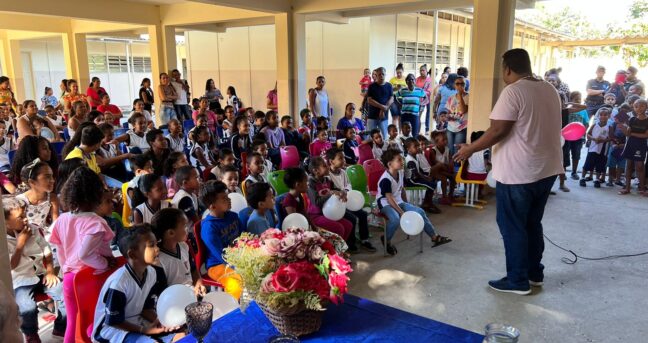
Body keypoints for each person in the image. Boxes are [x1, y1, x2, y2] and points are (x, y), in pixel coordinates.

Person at [454, 48, 563, 295]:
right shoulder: (549, 89)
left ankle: (516, 280)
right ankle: (534, 274)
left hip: (519, 173)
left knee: (513, 226)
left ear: (507, 69)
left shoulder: (513, 91)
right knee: (532, 224)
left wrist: (470, 148)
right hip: (546, 170)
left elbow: (498, 130)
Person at [49, 167, 116, 342]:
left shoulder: (62, 219)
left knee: (73, 322)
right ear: (96, 194)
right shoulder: (95, 222)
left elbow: (60, 249)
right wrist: (105, 264)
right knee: (95, 321)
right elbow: (85, 254)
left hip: (70, 278)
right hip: (91, 278)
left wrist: (66, 271)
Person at [92, 225, 185, 343]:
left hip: (136, 321)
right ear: (133, 255)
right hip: (111, 330)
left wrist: (162, 321)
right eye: (151, 245)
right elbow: (114, 321)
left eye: (156, 244)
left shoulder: (151, 272)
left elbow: (146, 308)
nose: (157, 249)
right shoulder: (119, 284)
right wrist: (144, 330)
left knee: (182, 333)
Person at [5, 196, 66, 342]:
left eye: (25, 214)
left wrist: (50, 271)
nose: (25, 219)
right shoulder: (4, 240)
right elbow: (10, 266)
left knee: (67, 292)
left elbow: (47, 251)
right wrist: (20, 243)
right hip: (20, 280)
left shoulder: (33, 228)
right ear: (5, 221)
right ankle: (31, 334)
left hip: (41, 275)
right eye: (20, 217)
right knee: (27, 307)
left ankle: (61, 327)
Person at [378, 149, 450, 256]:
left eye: (402, 159)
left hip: (398, 201)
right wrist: (402, 212)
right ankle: (386, 240)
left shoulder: (400, 173)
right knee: (395, 220)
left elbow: (401, 190)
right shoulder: (386, 179)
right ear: (390, 164)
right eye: (399, 160)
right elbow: (389, 198)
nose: (402, 161)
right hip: (386, 203)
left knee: (419, 211)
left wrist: (407, 205)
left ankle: (434, 237)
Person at [199, 180, 244, 300]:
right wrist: (241, 267)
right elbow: (222, 256)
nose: (229, 200)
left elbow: (243, 238)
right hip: (217, 264)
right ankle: (235, 311)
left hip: (238, 257)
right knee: (236, 283)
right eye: (224, 198)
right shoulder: (209, 228)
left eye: (228, 196)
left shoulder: (233, 216)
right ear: (212, 206)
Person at [326, 148, 377, 252]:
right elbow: (330, 191)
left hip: (347, 201)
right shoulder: (327, 175)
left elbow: (348, 185)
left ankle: (364, 239)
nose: (344, 160)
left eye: (344, 157)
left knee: (362, 214)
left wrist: (345, 191)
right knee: (352, 219)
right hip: (336, 205)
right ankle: (351, 243)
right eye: (340, 158)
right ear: (331, 161)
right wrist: (341, 192)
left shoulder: (343, 172)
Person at [151, 208, 206, 294]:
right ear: (171, 233)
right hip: (175, 300)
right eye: (184, 226)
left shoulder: (184, 246)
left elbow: (193, 270)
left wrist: (199, 284)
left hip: (192, 293)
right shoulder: (158, 261)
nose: (187, 229)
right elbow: (163, 294)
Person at [307, 156, 355, 248]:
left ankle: (339, 250)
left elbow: (336, 190)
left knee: (348, 225)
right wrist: (330, 193)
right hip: (316, 215)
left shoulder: (327, 179)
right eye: (324, 166)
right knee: (339, 228)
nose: (328, 167)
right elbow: (316, 202)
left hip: (329, 213)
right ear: (316, 171)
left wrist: (342, 193)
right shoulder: (311, 183)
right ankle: (334, 252)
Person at [15, 160, 60, 234]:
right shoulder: (20, 201)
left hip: (44, 235)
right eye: (47, 177)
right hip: (27, 235)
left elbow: (56, 223)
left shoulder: (52, 198)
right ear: (32, 182)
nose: (52, 180)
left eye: (52, 176)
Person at [619, 99, 648, 196]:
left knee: (640, 166)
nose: (639, 108)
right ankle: (627, 188)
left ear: (646, 107)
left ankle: (642, 188)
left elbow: (645, 136)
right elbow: (627, 134)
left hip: (641, 145)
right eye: (636, 106)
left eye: (641, 106)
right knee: (629, 166)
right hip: (630, 144)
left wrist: (632, 134)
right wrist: (622, 128)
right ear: (633, 108)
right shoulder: (632, 119)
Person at [403, 138, 440, 213]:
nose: (418, 148)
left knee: (432, 181)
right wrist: (426, 178)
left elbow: (419, 170)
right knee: (431, 185)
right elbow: (416, 174)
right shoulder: (409, 160)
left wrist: (427, 176)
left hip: (416, 178)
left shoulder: (415, 157)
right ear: (408, 149)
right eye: (415, 146)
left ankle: (427, 202)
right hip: (411, 180)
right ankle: (428, 203)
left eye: (418, 146)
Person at [580, 108, 612, 188]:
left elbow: (611, 138)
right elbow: (588, 134)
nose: (603, 116)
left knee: (600, 165)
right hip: (593, 148)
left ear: (609, 116)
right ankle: (582, 178)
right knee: (588, 163)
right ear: (598, 116)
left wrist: (603, 140)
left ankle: (597, 179)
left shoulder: (609, 127)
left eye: (605, 115)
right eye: (601, 115)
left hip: (603, 149)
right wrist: (594, 139)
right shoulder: (595, 125)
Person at [171, 166, 201, 243]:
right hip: (187, 236)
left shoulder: (192, 194)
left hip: (191, 231)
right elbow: (197, 222)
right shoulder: (184, 198)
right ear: (185, 183)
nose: (200, 180)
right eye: (196, 178)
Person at [445, 75, 469, 156]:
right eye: (457, 84)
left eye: (462, 83)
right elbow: (448, 111)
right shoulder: (451, 97)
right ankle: (452, 168)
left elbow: (463, 110)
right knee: (450, 151)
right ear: (454, 85)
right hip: (450, 128)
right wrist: (447, 116)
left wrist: (460, 95)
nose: (460, 85)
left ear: (465, 85)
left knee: (457, 151)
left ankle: (457, 168)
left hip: (461, 129)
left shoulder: (469, 97)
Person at [607, 105, 630, 187]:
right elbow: (611, 135)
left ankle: (618, 179)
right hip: (614, 146)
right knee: (611, 164)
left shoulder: (628, 125)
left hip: (624, 147)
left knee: (621, 165)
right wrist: (613, 144)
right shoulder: (613, 124)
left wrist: (623, 145)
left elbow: (628, 136)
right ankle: (610, 179)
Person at [416, 64, 433, 133]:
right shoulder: (417, 79)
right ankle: (417, 129)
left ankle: (427, 129)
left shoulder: (430, 80)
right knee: (419, 115)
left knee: (428, 113)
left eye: (423, 70)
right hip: (420, 100)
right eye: (420, 70)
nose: (421, 72)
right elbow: (415, 88)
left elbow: (429, 91)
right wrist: (420, 92)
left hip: (428, 99)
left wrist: (421, 91)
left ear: (426, 71)